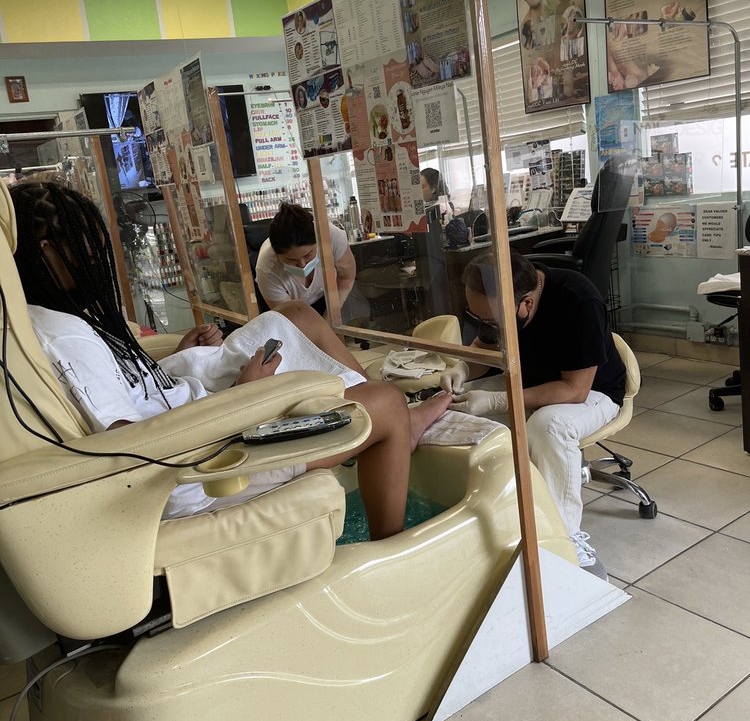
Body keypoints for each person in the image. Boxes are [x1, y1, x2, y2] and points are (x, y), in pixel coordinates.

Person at [10, 181, 450, 539]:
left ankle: (379, 418)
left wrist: (169, 366)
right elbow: (132, 447)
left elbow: (127, 399)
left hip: (194, 413)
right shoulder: (63, 336)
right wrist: (243, 398)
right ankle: (389, 528)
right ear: (47, 251)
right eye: (87, 244)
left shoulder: (52, 318)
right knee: (384, 403)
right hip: (205, 468)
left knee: (296, 315)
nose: (97, 256)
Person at [440, 250, 626, 579]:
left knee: (547, 426)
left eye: (491, 321)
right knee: (452, 409)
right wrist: (462, 368)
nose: (485, 326)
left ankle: (564, 539)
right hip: (532, 380)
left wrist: (498, 400)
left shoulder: (578, 300)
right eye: (477, 318)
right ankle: (490, 522)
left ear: (526, 303)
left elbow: (575, 390)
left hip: (594, 391)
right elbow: (485, 346)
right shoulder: (502, 299)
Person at [255, 202, 356, 318]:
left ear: (317, 242)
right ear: (277, 255)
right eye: (291, 260)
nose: (302, 265)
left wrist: (329, 319)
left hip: (326, 296)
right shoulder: (267, 270)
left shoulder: (331, 237)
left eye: (308, 254)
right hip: (289, 308)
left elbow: (346, 278)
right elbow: (294, 318)